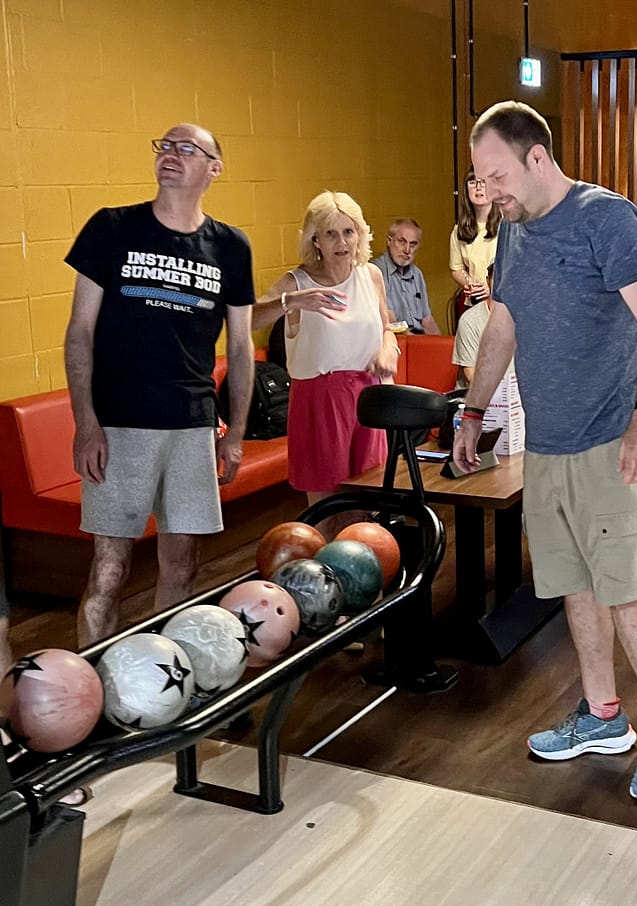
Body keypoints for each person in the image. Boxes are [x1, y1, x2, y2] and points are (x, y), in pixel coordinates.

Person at [454, 101, 637, 803]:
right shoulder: (515, 230)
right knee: (574, 583)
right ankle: (602, 713)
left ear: (536, 157)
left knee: (625, 586)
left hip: (608, 434)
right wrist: (473, 409)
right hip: (546, 442)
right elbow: (503, 324)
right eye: (480, 180)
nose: (488, 193)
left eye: (496, 176)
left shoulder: (603, 216)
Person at [64, 123, 255, 648]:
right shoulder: (111, 228)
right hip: (119, 424)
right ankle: (91, 692)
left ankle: (158, 683)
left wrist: (234, 434)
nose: (170, 154)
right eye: (164, 145)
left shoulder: (231, 247)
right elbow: (79, 333)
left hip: (191, 425)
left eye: (186, 148)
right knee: (108, 571)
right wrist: (86, 423)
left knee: (182, 569)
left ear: (213, 169)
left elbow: (239, 350)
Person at [252, 192, 398, 505]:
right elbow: (247, 318)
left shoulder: (371, 275)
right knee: (328, 507)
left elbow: (386, 329)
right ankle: (325, 555)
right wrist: (290, 302)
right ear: (315, 239)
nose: (341, 243)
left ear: (360, 233)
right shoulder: (297, 281)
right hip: (319, 400)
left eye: (349, 231)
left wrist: (387, 350)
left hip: (369, 396)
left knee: (369, 503)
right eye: (330, 234)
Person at [371, 219, 441, 335]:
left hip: (418, 340)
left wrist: (445, 348)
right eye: (402, 242)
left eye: (413, 244)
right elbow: (390, 323)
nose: (407, 250)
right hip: (395, 339)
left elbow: (427, 321)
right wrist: (419, 345)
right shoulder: (377, 271)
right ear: (389, 241)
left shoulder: (417, 274)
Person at [450, 171, 501, 308]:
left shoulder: (507, 226)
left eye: (483, 182)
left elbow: (515, 267)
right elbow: (456, 268)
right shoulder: (458, 231)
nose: (478, 187)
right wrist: (469, 284)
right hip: (473, 303)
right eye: (472, 182)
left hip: (501, 304)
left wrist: (490, 286)